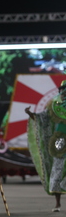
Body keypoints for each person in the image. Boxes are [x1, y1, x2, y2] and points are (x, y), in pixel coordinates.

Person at [25, 80, 66, 212]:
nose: (64, 93)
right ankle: (58, 204)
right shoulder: (54, 106)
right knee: (57, 170)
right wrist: (31, 114)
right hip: (60, 141)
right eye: (63, 90)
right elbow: (43, 119)